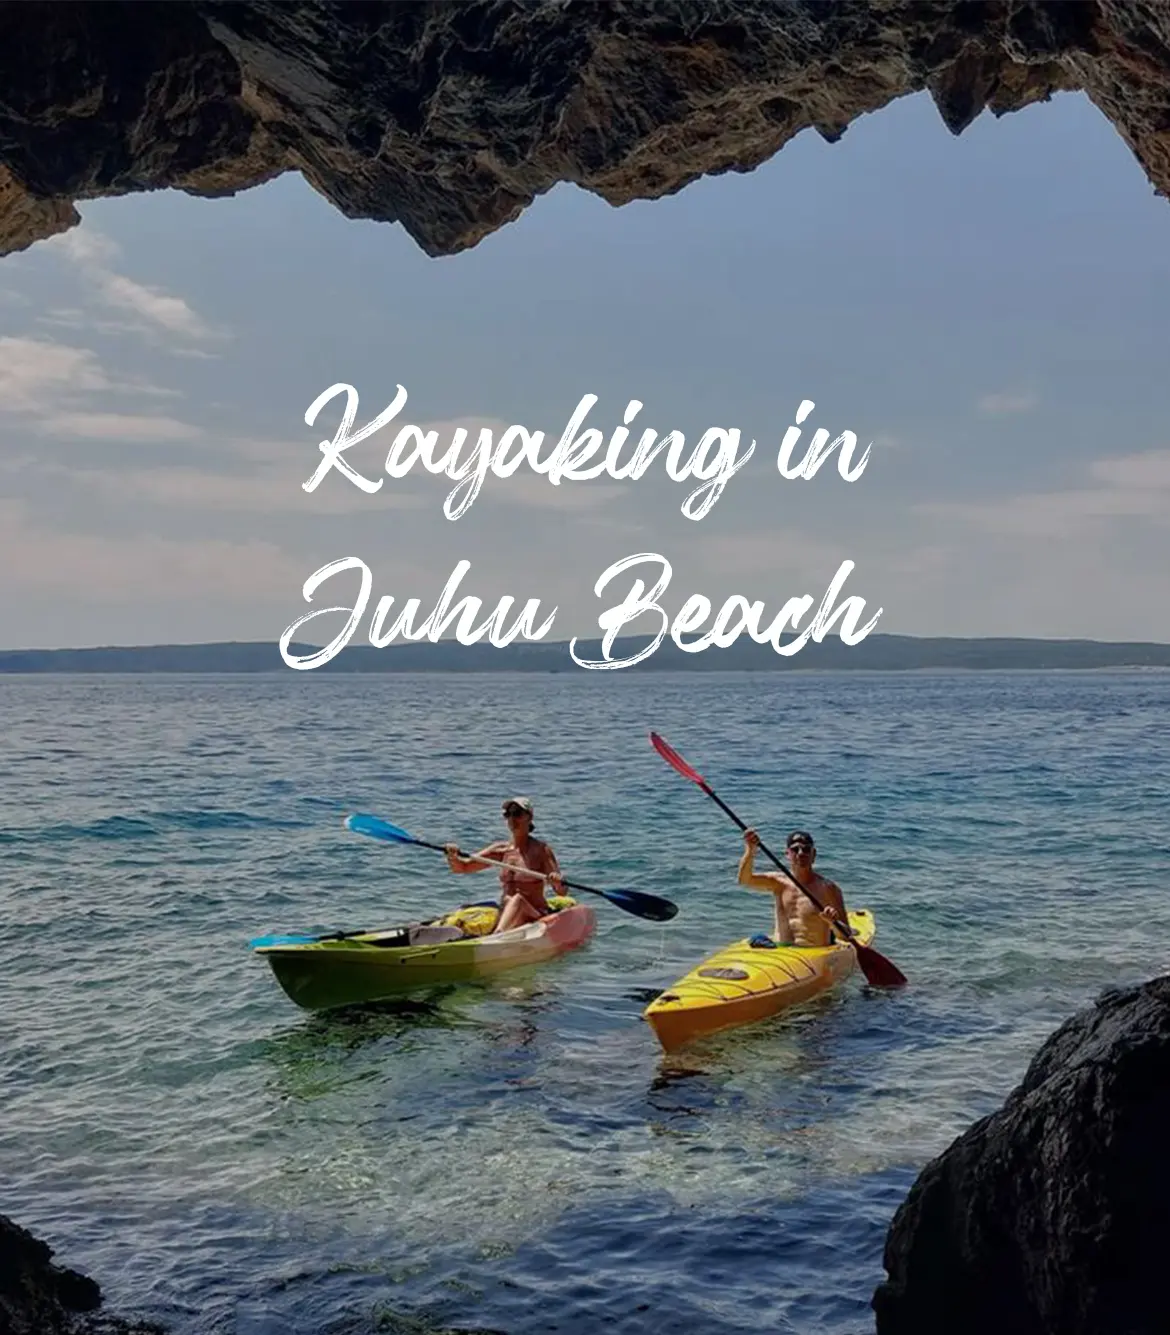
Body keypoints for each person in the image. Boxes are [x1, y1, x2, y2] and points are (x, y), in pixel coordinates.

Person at [444, 796, 565, 934]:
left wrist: (557, 881)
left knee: (518, 900)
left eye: (517, 813)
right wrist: (452, 856)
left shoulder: (541, 850)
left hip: (534, 914)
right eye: (508, 814)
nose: (512, 819)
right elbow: (463, 867)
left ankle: (497, 935)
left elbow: (562, 891)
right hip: (506, 912)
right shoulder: (501, 850)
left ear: (530, 817)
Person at [737, 828, 848, 947]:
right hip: (782, 949)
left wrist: (833, 923)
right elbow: (744, 879)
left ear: (813, 854)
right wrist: (750, 850)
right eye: (795, 849)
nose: (801, 853)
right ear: (788, 854)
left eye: (806, 849)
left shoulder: (828, 888)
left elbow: (846, 935)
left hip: (814, 952)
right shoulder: (778, 882)